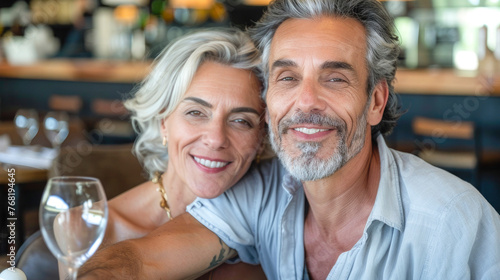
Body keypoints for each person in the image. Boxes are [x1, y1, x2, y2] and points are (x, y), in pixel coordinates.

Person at [77, 0, 500, 279]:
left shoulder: (451, 224)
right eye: (287, 77)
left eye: (334, 78)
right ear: (268, 101)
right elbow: (137, 260)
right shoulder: (260, 193)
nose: (306, 102)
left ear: (375, 101)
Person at [59, 28, 269, 279]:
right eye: (196, 113)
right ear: (163, 121)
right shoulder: (82, 228)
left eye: (241, 121)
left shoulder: (279, 224)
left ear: (261, 139)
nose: (216, 139)